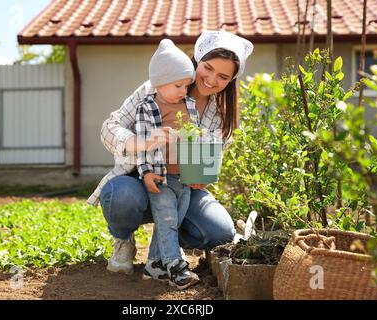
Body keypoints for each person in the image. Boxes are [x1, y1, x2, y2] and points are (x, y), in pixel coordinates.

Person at [87, 30, 254, 279]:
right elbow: (109, 128)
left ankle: (167, 247)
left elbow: (212, 159)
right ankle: (123, 241)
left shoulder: (221, 114)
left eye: (222, 76)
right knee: (120, 195)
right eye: (207, 67)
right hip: (140, 179)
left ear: (230, 81)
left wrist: (204, 175)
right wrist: (141, 142)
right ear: (197, 60)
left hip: (184, 185)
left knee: (219, 231)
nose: (210, 79)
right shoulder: (159, 86)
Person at [135, 39, 201, 289]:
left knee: (173, 220)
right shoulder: (147, 107)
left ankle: (154, 264)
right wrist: (146, 173)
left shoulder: (190, 106)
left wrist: (198, 169)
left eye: (187, 85)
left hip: (184, 176)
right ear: (159, 82)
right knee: (168, 220)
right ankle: (176, 267)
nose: (184, 90)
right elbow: (143, 143)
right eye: (178, 85)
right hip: (160, 176)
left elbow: (195, 138)